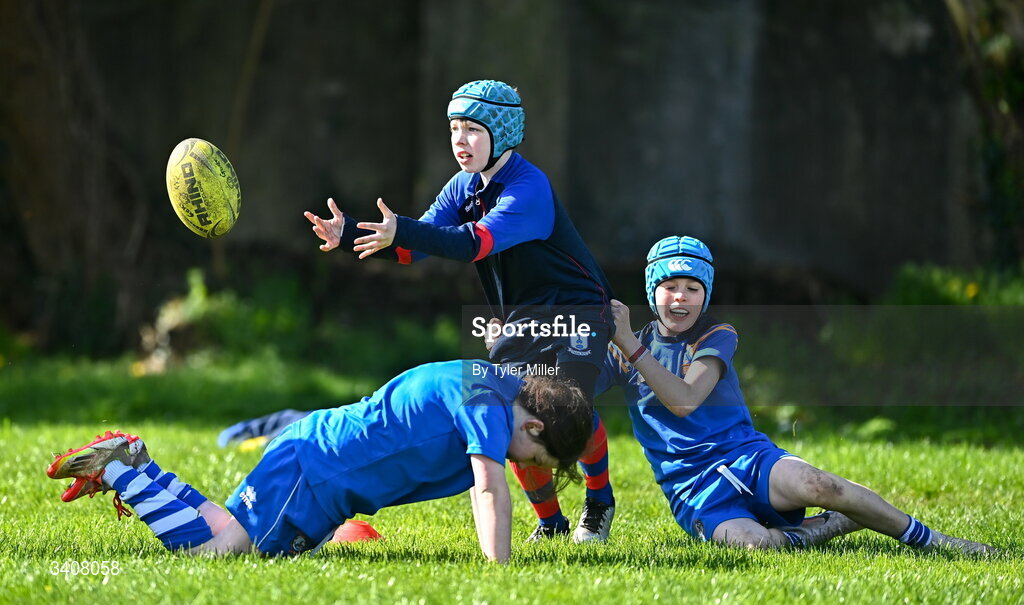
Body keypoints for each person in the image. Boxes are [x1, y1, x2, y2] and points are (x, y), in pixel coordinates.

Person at [297, 79, 616, 543]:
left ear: (502, 132)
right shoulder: (463, 187)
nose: (460, 141)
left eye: (472, 129)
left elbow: (471, 243)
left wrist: (403, 230)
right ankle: (550, 523)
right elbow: (416, 249)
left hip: (579, 313)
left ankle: (599, 500)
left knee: (567, 406)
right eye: (454, 129)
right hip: (522, 323)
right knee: (515, 413)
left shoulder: (530, 188)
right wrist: (350, 236)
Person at [597, 235, 996, 553]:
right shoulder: (624, 347)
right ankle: (820, 529)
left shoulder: (715, 334)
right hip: (693, 488)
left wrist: (630, 344)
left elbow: (684, 400)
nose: (680, 297)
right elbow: (573, 393)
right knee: (752, 546)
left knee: (822, 486)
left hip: (747, 457)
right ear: (652, 293)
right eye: (669, 287)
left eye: (692, 287)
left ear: (706, 295)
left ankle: (934, 541)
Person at [45, 360, 593, 562]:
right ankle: (116, 471)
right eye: (537, 457)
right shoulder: (489, 410)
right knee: (221, 551)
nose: (529, 468)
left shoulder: (492, 379)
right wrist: (499, 576)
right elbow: (488, 489)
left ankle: (136, 464)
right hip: (316, 470)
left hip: (318, 462)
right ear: (533, 425)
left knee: (229, 530)